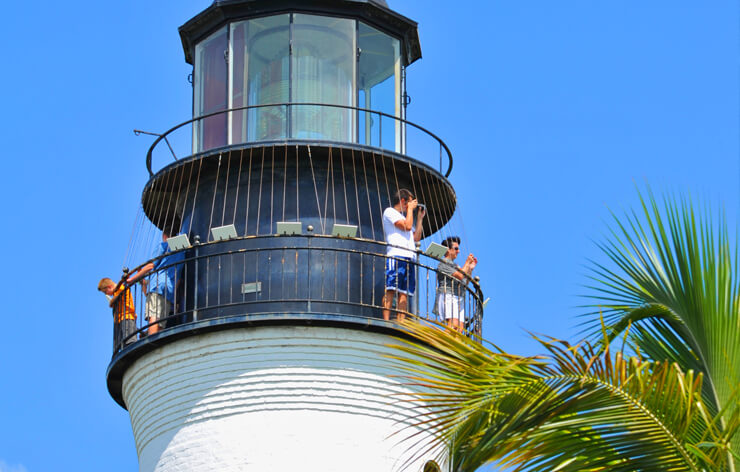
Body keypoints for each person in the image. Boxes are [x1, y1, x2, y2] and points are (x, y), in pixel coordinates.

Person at [127, 230, 185, 335]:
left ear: (165, 236)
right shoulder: (182, 253)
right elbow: (179, 277)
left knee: (154, 315)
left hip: (158, 285)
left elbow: (151, 265)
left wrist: (133, 278)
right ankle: (157, 338)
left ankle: (151, 338)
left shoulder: (163, 246)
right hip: (170, 289)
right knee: (162, 321)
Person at [382, 188, 426, 321]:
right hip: (396, 255)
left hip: (409, 257)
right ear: (403, 201)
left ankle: (401, 322)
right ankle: (386, 320)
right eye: (410, 202)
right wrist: (411, 211)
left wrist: (419, 219)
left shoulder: (406, 217)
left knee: (404, 293)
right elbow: (406, 226)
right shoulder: (390, 212)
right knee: (390, 289)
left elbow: (416, 237)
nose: (411, 205)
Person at [435, 236, 477, 332]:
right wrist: (467, 263)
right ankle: (439, 342)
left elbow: (465, 281)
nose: (458, 251)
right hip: (448, 295)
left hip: (458, 297)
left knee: (460, 328)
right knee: (453, 324)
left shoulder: (455, 266)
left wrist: (470, 268)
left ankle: (449, 344)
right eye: (456, 248)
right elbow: (459, 276)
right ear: (448, 250)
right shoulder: (444, 263)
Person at [98, 277, 138, 346]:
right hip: (124, 318)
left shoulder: (120, 288)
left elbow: (112, 302)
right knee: (125, 342)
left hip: (126, 317)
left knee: (130, 342)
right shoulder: (117, 291)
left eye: (105, 292)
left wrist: (111, 303)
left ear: (109, 287)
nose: (106, 294)